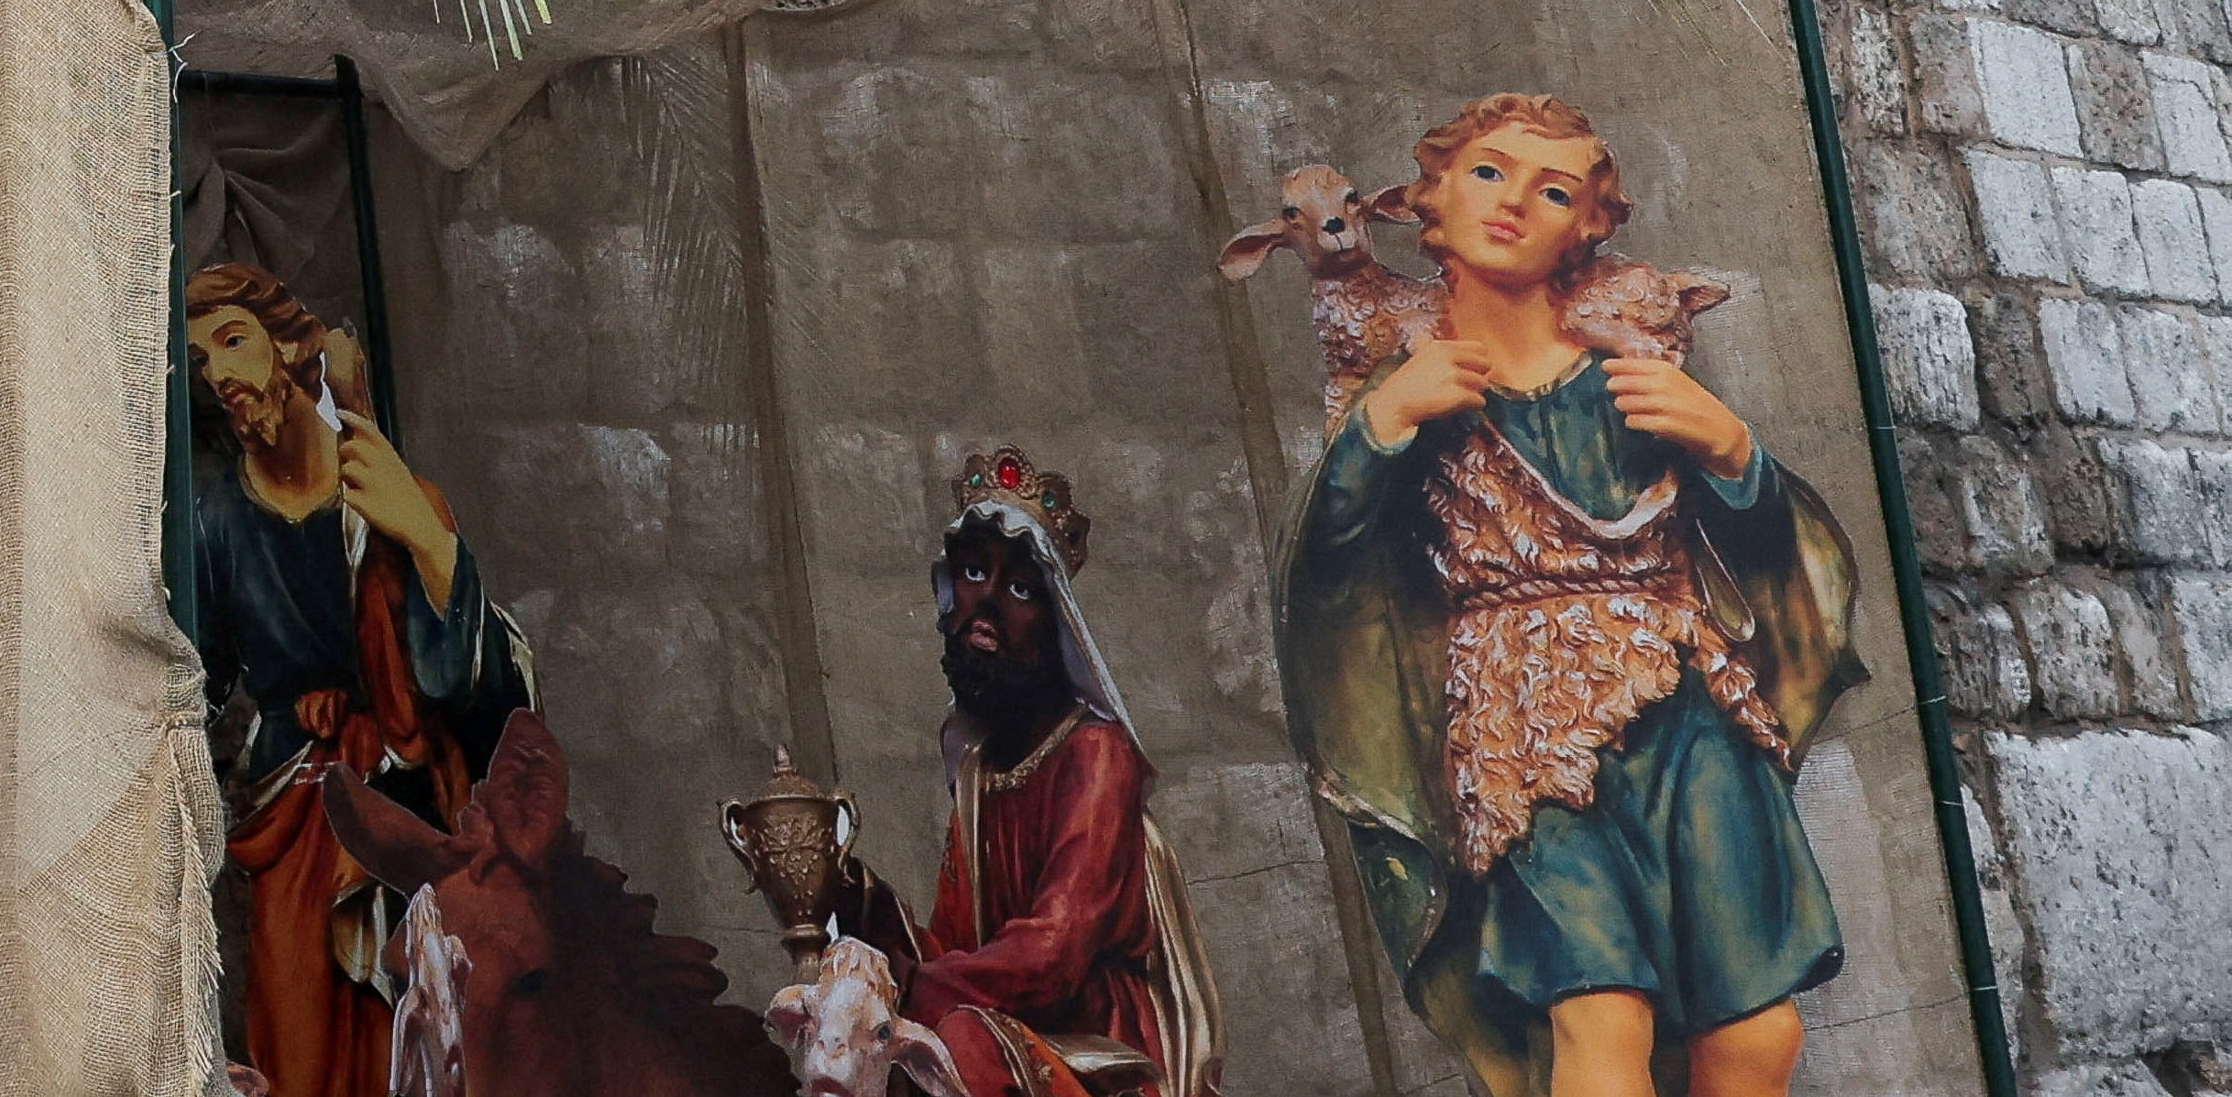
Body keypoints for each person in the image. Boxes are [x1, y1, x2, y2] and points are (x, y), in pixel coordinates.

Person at [1275, 95, 1857, 1097]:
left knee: (1758, 1034)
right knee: (1599, 1019)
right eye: (1487, 172)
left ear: (1587, 225)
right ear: (1427, 203)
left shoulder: (1632, 364)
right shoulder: (1408, 376)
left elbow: (1770, 552)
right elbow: (1330, 561)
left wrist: (1732, 451)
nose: (1512, 202)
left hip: (1687, 706)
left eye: (1551, 191)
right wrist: (1383, 424)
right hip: (1522, 723)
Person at [185, 259, 530, 1097]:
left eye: (233, 341)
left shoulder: (384, 491)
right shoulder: (217, 520)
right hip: (292, 817)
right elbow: (194, 684)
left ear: (290, 346)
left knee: (410, 1036)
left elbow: (481, 697)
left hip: (400, 810)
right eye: (201, 361)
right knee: (296, 1044)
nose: (220, 373)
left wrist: (429, 544)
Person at [778, 452, 1221, 1097]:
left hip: (1104, 1059)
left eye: (1018, 589)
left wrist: (906, 986)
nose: (985, 600)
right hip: (1007, 1026)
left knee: (956, 1043)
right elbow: (955, 952)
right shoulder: (979, 774)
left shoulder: (1096, 756)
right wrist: (853, 896)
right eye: (973, 573)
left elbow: (1053, 954)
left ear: (1055, 620)